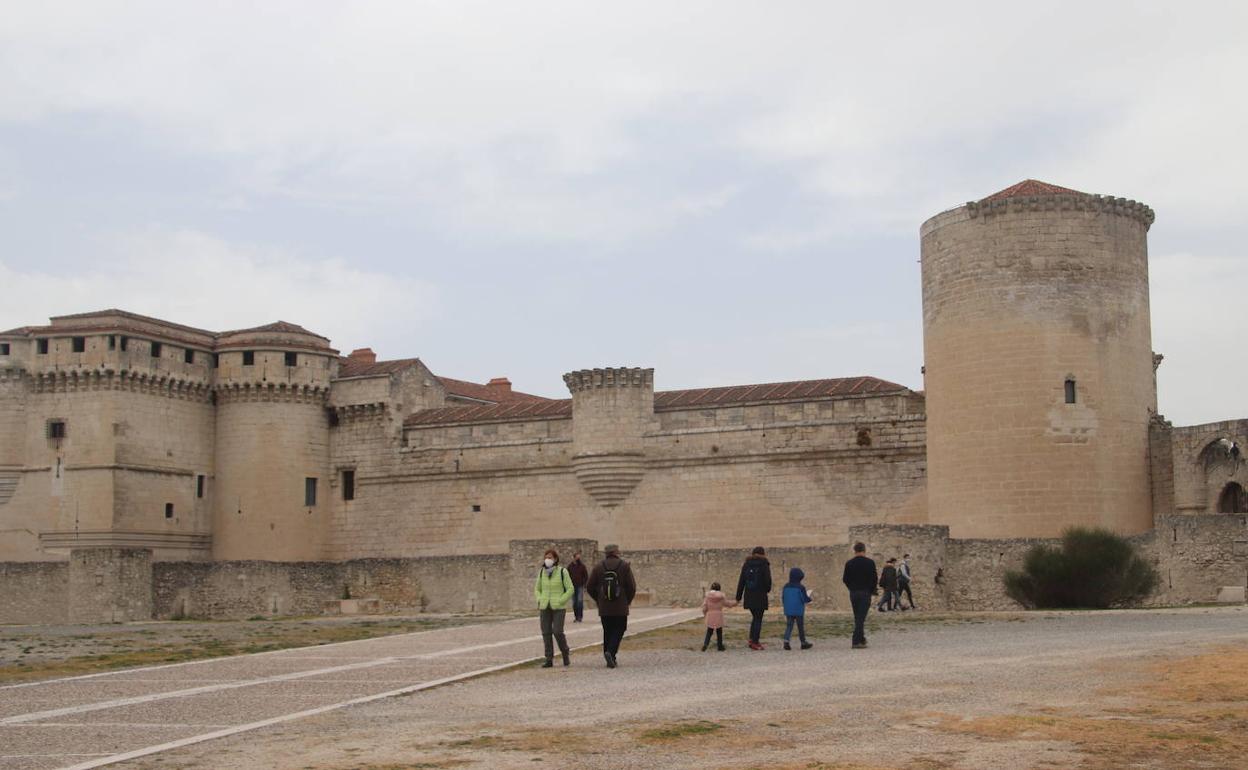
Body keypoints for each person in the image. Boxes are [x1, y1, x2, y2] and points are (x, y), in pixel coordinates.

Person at [586, 543, 636, 668]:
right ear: (616, 552)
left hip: (604, 606)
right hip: (620, 606)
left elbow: (589, 586)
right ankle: (611, 652)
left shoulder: (598, 567)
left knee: (607, 630)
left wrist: (598, 599)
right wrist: (627, 600)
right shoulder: (624, 566)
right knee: (620, 628)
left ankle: (609, 656)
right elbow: (632, 587)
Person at [533, 548, 574, 668]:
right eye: (546, 557)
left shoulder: (562, 572)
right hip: (545, 606)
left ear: (555, 559)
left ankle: (565, 652)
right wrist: (540, 599)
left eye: (550, 557)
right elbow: (537, 589)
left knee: (557, 631)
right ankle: (549, 658)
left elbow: (570, 588)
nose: (547, 560)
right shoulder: (541, 572)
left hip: (558, 607)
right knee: (546, 632)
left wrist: (561, 600)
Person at [735, 546, 772, 650]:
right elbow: (767, 580)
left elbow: (741, 581)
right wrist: (767, 589)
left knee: (755, 617)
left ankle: (752, 639)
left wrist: (738, 597)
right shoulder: (764, 564)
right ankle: (755, 642)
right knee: (758, 619)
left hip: (749, 595)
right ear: (763, 553)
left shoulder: (746, 564)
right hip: (760, 595)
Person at [842, 542, 878, 649]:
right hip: (865, 592)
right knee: (860, 617)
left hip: (854, 593)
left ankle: (861, 638)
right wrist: (871, 590)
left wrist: (851, 588)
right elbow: (874, 578)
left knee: (858, 616)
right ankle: (856, 640)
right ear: (864, 550)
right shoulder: (870, 563)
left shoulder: (849, 563)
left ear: (855, 550)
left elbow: (845, 579)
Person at [781, 566, 813, 650]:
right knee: (800, 626)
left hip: (788, 609)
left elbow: (783, 597)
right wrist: (809, 598)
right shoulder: (801, 587)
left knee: (789, 626)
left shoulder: (786, 586)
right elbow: (804, 598)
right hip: (798, 609)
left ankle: (786, 641)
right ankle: (803, 642)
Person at [700, 581, 737, 651]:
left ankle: (705, 644)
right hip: (718, 615)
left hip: (710, 614)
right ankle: (720, 646)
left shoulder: (707, 597)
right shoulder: (721, 597)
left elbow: (704, 607)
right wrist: (735, 603)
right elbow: (728, 604)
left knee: (709, 631)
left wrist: (705, 614)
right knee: (719, 631)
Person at [567, 551, 589, 622]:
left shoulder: (582, 566)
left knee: (579, 601)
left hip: (580, 586)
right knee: (574, 602)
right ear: (573, 558)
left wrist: (584, 583)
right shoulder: (570, 566)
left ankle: (580, 617)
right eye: (576, 557)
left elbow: (586, 576)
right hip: (572, 586)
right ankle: (576, 617)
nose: (578, 558)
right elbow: (567, 576)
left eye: (578, 557)